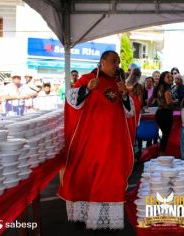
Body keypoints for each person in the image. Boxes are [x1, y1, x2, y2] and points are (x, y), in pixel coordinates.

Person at [58, 50, 135, 230]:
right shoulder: (87, 78)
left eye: (118, 62)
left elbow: (129, 112)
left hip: (112, 141)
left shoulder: (119, 83)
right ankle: (82, 217)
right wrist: (86, 89)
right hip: (90, 139)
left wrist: (124, 95)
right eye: (114, 61)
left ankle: (105, 220)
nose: (117, 65)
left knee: (110, 178)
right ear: (102, 62)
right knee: (87, 176)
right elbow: (71, 102)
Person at [152, 71, 178, 154]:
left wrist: (146, 106)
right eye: (168, 77)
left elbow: (151, 98)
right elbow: (169, 102)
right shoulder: (166, 88)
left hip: (159, 112)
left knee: (164, 134)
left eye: (171, 76)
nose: (170, 78)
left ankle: (161, 152)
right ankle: (162, 153)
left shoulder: (158, 87)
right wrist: (175, 101)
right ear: (163, 78)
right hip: (166, 113)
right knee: (166, 135)